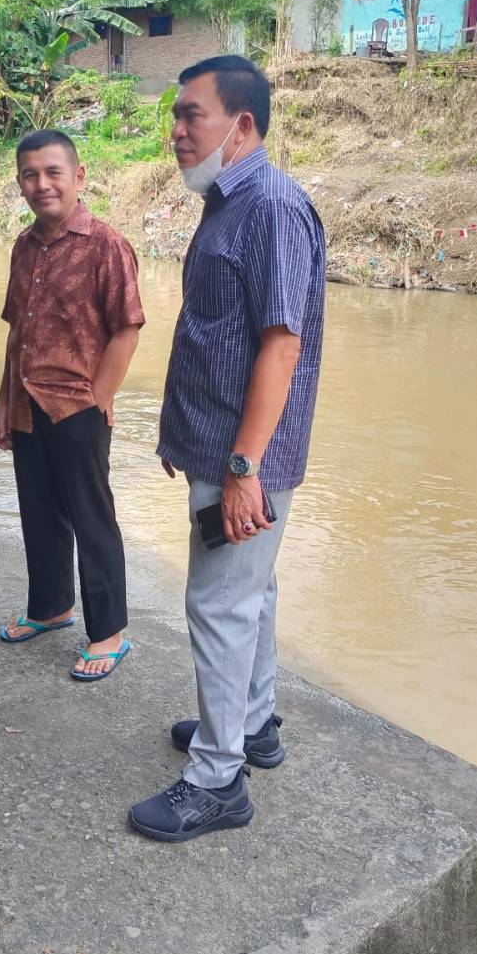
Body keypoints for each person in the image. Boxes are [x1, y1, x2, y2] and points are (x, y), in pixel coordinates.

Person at [128, 56, 325, 841]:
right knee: (254, 593)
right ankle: (254, 723)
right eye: (174, 118)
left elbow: (281, 347)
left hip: (248, 462)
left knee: (217, 603)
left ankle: (218, 780)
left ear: (241, 126)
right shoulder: (227, 198)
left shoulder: (270, 206)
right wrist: (190, 437)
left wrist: (242, 467)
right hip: (220, 448)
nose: (177, 132)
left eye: (191, 115)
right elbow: (219, 332)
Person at [0, 129, 144, 680]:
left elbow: (126, 331)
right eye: (30, 174)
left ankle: (109, 633)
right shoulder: (23, 246)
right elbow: (17, 334)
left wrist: (98, 400)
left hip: (78, 404)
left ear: (78, 177)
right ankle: (51, 608)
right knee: (38, 509)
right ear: (20, 183)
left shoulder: (106, 244)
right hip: (28, 402)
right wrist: (4, 401)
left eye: (53, 172)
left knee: (91, 516)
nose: (42, 184)